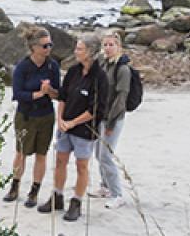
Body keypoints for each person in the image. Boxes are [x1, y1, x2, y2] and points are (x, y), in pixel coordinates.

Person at [38, 35, 108, 221]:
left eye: (80, 49)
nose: (76, 52)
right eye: (76, 48)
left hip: (84, 129)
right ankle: (57, 196)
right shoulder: (73, 71)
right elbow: (63, 96)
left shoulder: (100, 78)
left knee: (81, 166)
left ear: (91, 52)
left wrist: (73, 122)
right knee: (60, 161)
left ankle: (76, 202)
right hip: (65, 126)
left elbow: (96, 109)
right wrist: (60, 119)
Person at [3, 26, 60, 208]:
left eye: (50, 45)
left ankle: (34, 191)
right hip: (26, 115)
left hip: (46, 115)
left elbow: (58, 94)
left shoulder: (52, 66)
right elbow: (17, 94)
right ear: (34, 47)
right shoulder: (23, 66)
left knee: (41, 154)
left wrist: (49, 91)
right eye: (44, 46)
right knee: (21, 153)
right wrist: (37, 94)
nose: (48, 49)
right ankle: (15, 186)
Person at [89, 32, 131, 209]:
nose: (107, 48)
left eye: (111, 45)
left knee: (106, 156)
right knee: (98, 154)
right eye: (105, 45)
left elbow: (121, 99)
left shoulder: (123, 69)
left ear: (118, 46)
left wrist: (111, 124)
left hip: (113, 118)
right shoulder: (104, 64)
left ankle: (117, 194)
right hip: (101, 116)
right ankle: (105, 186)